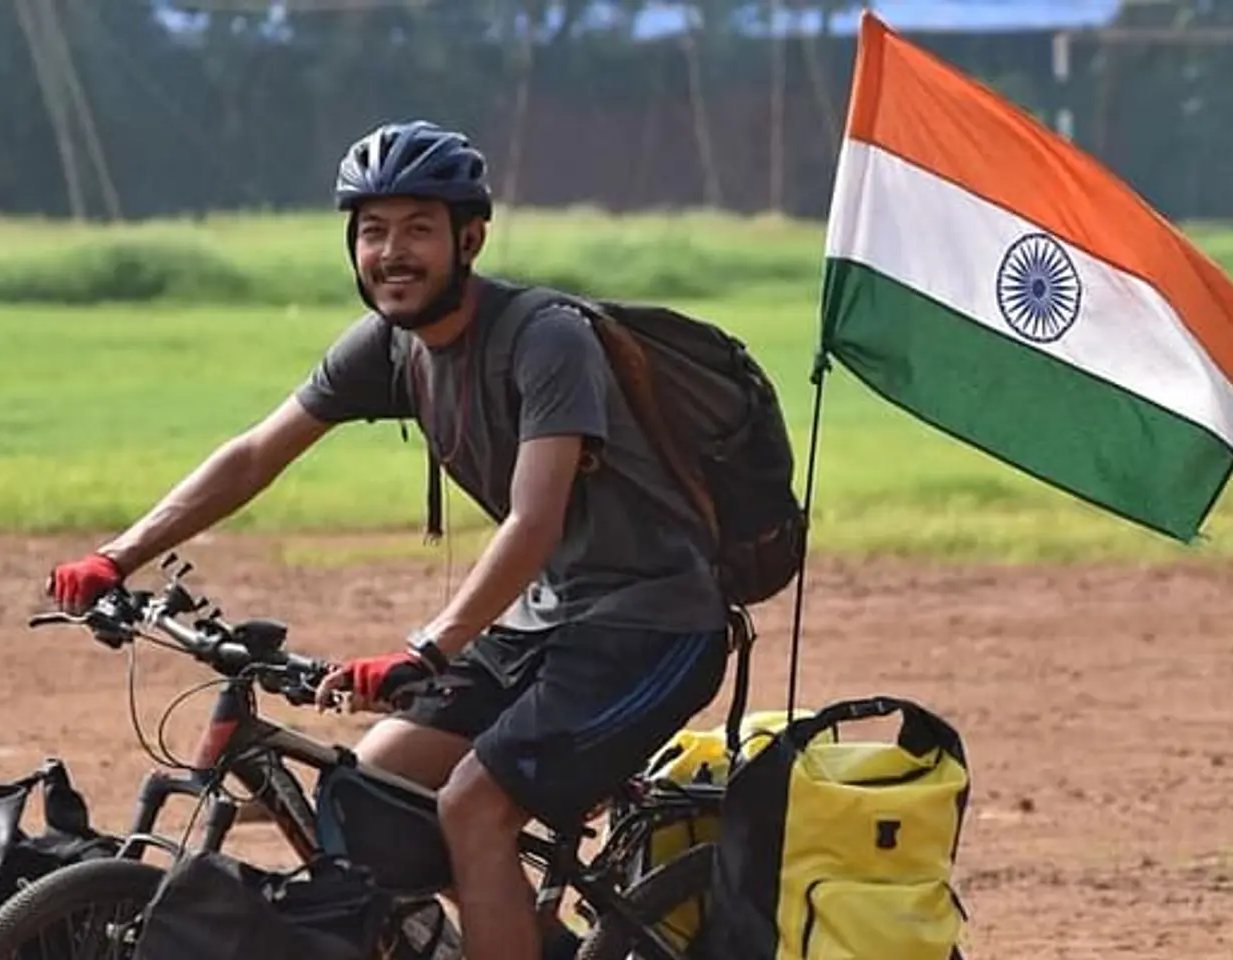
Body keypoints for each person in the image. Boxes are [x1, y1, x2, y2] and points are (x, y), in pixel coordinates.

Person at [45, 120, 734, 960]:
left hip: (652, 624)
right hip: (545, 621)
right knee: (376, 785)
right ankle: (525, 937)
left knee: (475, 805)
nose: (391, 253)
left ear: (469, 238)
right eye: (373, 231)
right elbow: (257, 453)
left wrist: (429, 649)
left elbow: (534, 519)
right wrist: (117, 555)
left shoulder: (547, 338)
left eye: (417, 229)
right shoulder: (390, 345)